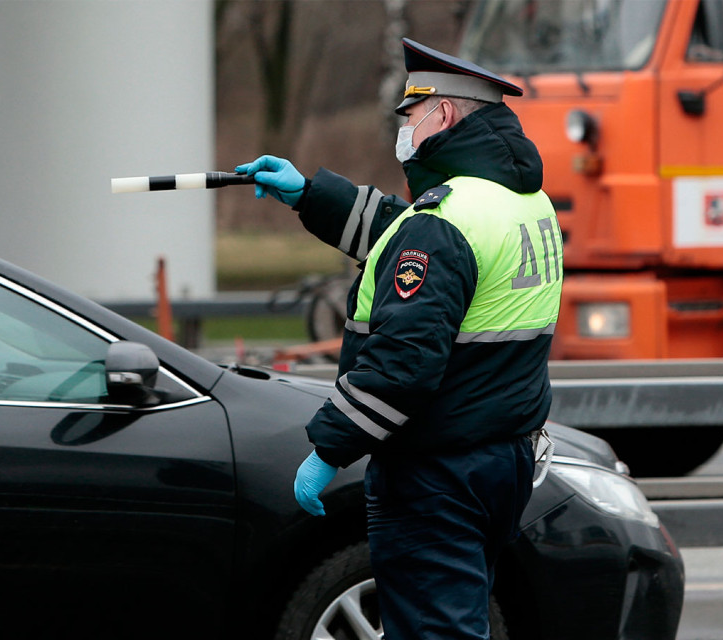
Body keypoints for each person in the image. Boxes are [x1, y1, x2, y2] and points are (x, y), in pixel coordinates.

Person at [236, 38, 563, 640]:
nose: (404, 128)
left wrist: (329, 448)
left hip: (438, 469)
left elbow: (403, 362)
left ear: (443, 114)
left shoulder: (445, 221)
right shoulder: (521, 201)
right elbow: (402, 237)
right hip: (501, 456)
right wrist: (309, 195)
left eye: (410, 114)